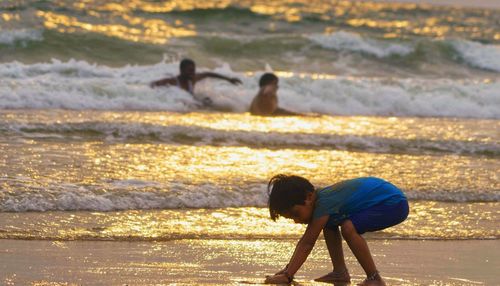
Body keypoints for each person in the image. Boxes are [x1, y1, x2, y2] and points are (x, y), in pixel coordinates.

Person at [264, 175, 409, 285]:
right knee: (330, 223)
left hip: (393, 204)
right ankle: (340, 272)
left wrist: (288, 275)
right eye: (291, 218)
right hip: (390, 201)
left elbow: (307, 243)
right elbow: (306, 242)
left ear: (309, 197)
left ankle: (374, 278)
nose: (296, 221)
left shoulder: (324, 204)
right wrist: (287, 270)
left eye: (296, 214)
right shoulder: (323, 201)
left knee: (348, 227)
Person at [150, 58, 242, 105]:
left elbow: (208, 74)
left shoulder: (193, 79)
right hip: (179, 105)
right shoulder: (173, 81)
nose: (192, 73)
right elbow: (153, 84)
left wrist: (229, 79)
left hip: (191, 103)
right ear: (181, 70)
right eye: (189, 70)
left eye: (193, 70)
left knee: (208, 101)